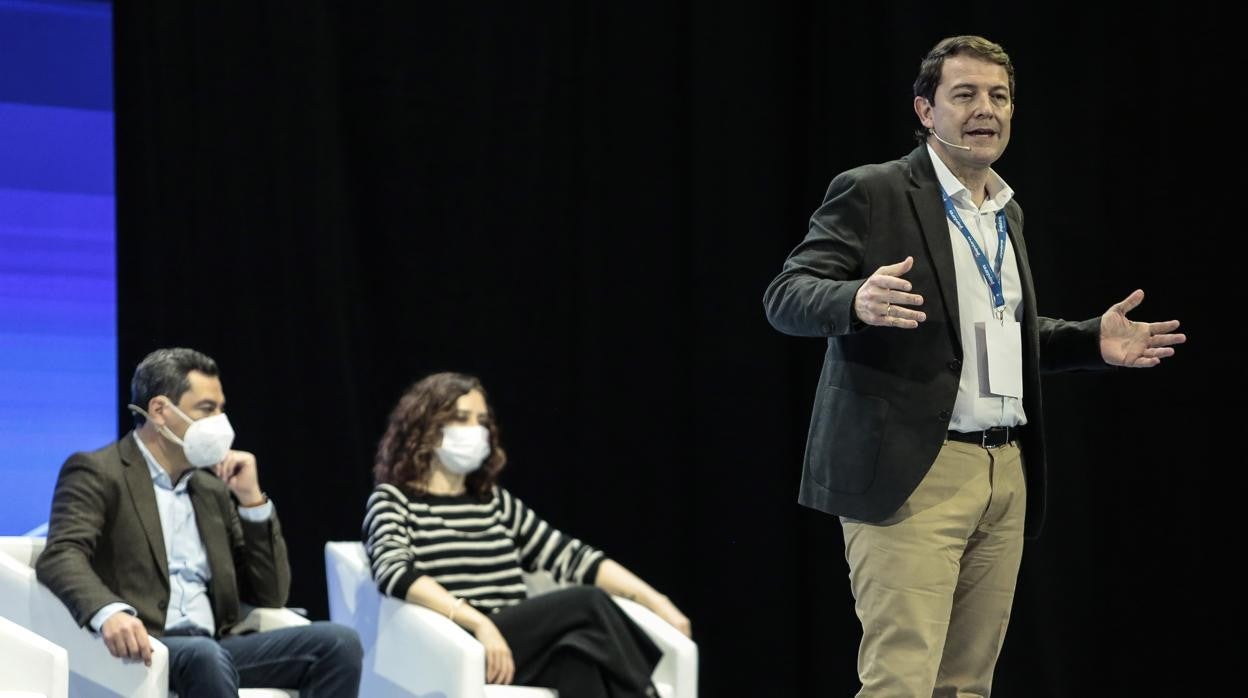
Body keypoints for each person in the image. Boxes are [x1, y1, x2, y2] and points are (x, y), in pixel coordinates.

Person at [762, 35, 1185, 697]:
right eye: (964, 94)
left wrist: (1087, 342)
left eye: (999, 96)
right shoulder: (875, 192)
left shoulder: (1004, 211)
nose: (985, 109)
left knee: (965, 686)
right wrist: (855, 298)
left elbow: (999, 337)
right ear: (926, 110)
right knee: (901, 680)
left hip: (1004, 472)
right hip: (913, 471)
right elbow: (785, 296)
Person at [36, 348, 364, 697]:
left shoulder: (212, 490)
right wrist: (109, 613)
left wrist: (252, 501)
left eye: (222, 409)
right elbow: (62, 554)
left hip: (215, 646)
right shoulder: (99, 471)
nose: (220, 423)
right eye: (207, 409)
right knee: (205, 657)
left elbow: (270, 594)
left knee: (338, 644)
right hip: (147, 644)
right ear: (160, 411)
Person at [363, 372, 691, 697]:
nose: (474, 431)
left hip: (514, 647)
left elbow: (571, 557)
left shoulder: (494, 503)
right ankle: (646, 692)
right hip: (456, 642)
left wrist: (657, 601)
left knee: (581, 661)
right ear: (425, 429)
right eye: (460, 419)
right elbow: (394, 570)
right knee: (586, 602)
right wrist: (478, 622)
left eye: (482, 421)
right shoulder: (394, 500)